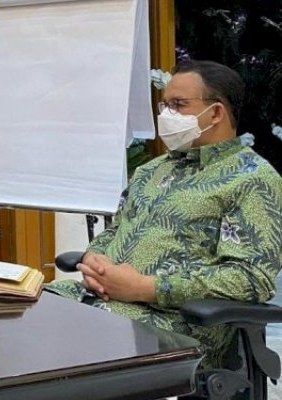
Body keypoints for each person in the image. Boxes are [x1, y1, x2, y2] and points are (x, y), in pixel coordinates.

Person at [46, 60, 282, 369]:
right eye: (165, 105)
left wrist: (145, 287)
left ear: (215, 113)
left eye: (178, 105)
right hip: (97, 302)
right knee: (6, 311)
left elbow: (250, 279)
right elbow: (115, 230)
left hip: (171, 325)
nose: (166, 115)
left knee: (46, 348)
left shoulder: (251, 179)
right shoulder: (151, 171)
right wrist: (94, 260)